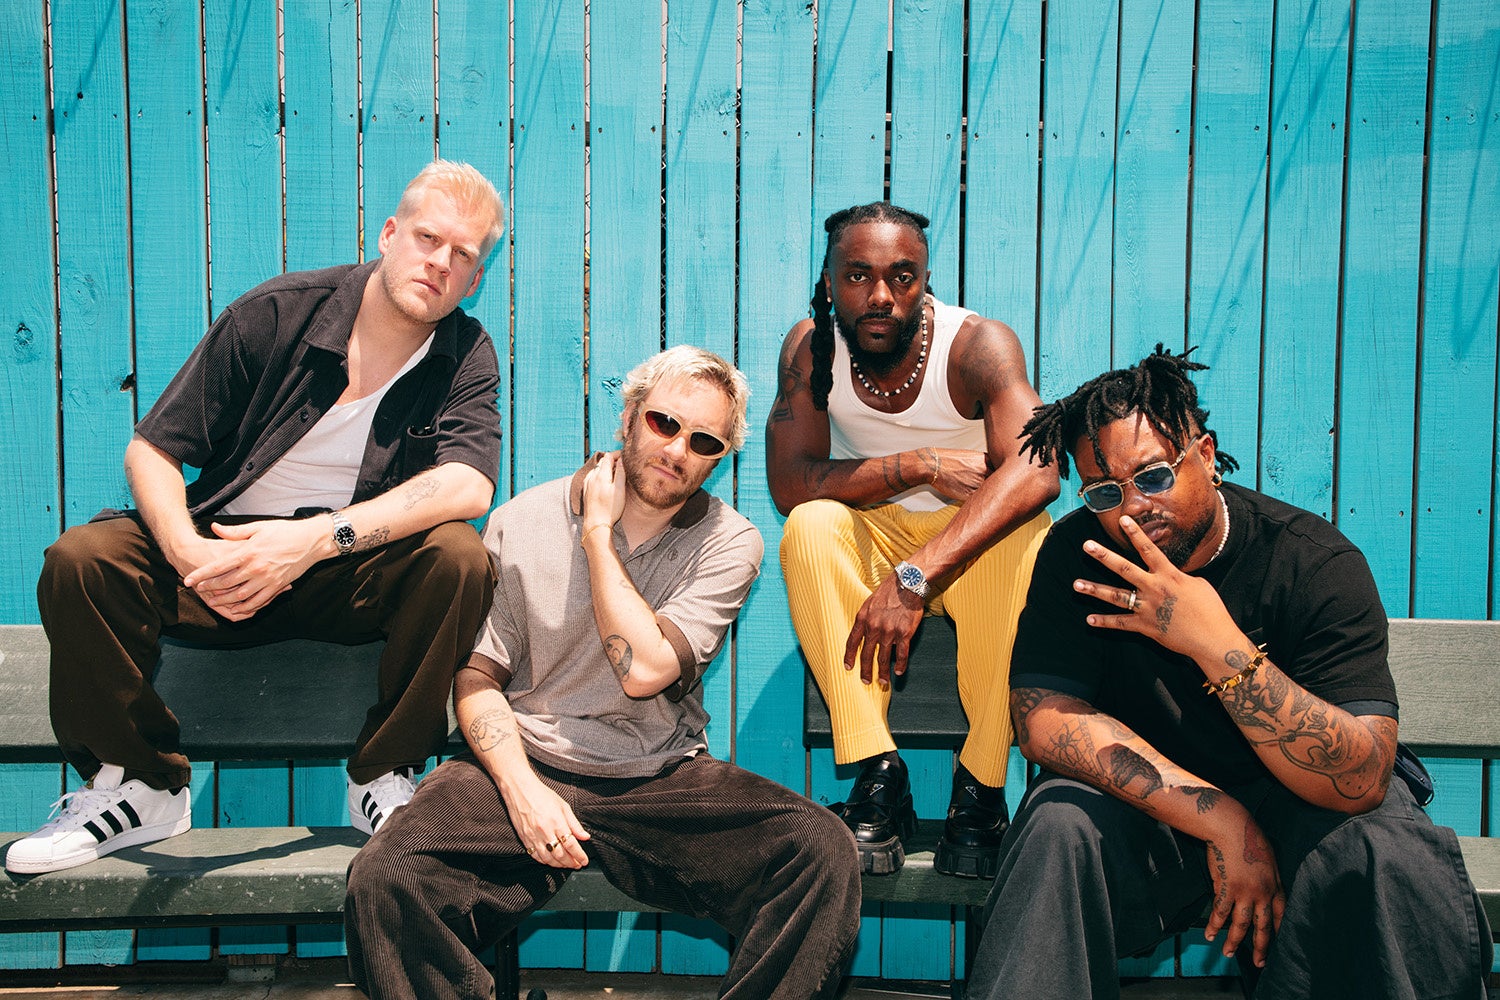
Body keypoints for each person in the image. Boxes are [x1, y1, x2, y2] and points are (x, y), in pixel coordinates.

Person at [6, 160, 506, 875]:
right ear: (390, 234)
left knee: (458, 558)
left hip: (342, 572)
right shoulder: (276, 314)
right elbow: (153, 450)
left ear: (476, 277)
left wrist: (313, 541)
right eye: (429, 238)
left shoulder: (465, 353)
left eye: (463, 254)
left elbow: (467, 484)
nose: (441, 263)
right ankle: (140, 787)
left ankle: (383, 777)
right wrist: (187, 552)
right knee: (82, 561)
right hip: (219, 556)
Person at [967, 346, 1492, 999]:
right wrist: (1221, 817)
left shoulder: (1310, 561)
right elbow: (1044, 721)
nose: (1132, 508)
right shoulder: (1078, 552)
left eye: (1153, 476)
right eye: (1104, 491)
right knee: (1056, 825)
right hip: (1153, 812)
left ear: (1207, 456)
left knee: (1387, 850)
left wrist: (1216, 645)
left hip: (1301, 807)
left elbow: (1361, 777)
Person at [345, 346, 861, 1000]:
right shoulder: (521, 521)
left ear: (720, 458)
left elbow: (643, 671)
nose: (676, 450)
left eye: (703, 441)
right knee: (384, 880)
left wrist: (596, 534)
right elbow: (476, 680)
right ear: (629, 416)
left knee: (820, 851)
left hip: (657, 775)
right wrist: (521, 791)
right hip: (526, 761)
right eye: (664, 423)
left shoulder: (730, 543)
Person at [767, 202, 1058, 877]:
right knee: (810, 526)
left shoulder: (977, 345)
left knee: (1026, 532)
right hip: (872, 534)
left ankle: (981, 789)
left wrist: (914, 577)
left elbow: (1039, 468)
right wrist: (918, 464)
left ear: (925, 282)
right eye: (858, 276)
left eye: (902, 277)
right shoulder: (812, 348)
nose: (880, 296)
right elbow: (790, 484)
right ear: (830, 281)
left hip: (966, 545)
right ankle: (879, 775)